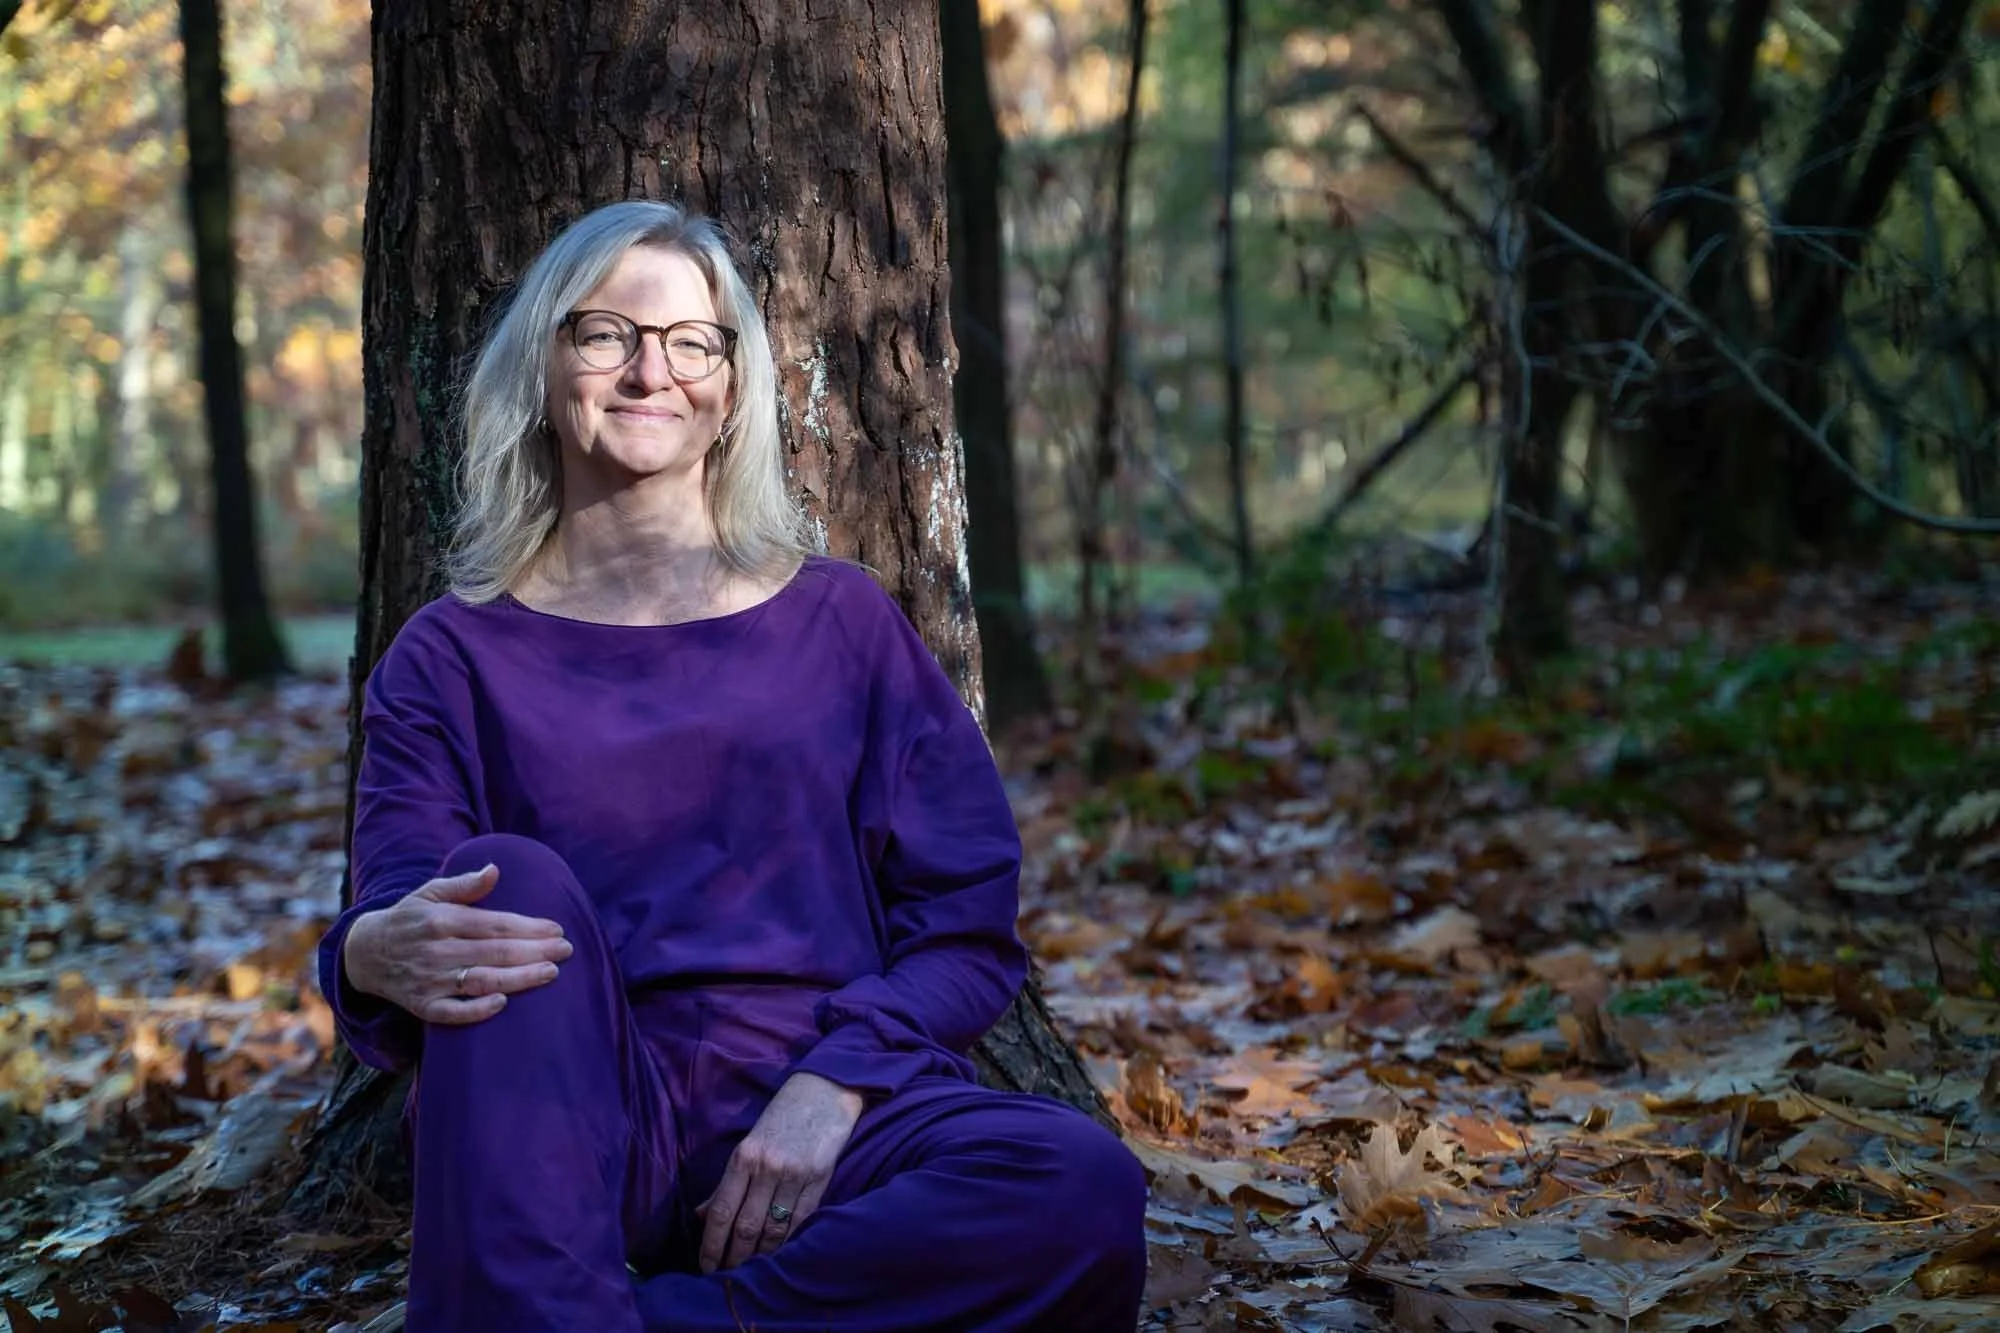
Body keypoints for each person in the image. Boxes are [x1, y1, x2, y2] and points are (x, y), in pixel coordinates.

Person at [315, 200, 1148, 1332]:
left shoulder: (843, 624)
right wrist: (368, 950)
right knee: (500, 881)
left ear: (734, 387)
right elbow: (407, 910)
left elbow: (963, 923)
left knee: (1075, 1188)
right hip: (563, 1108)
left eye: (690, 342)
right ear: (543, 368)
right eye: (604, 333)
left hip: (828, 1099)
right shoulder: (453, 653)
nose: (649, 370)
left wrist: (836, 1080)